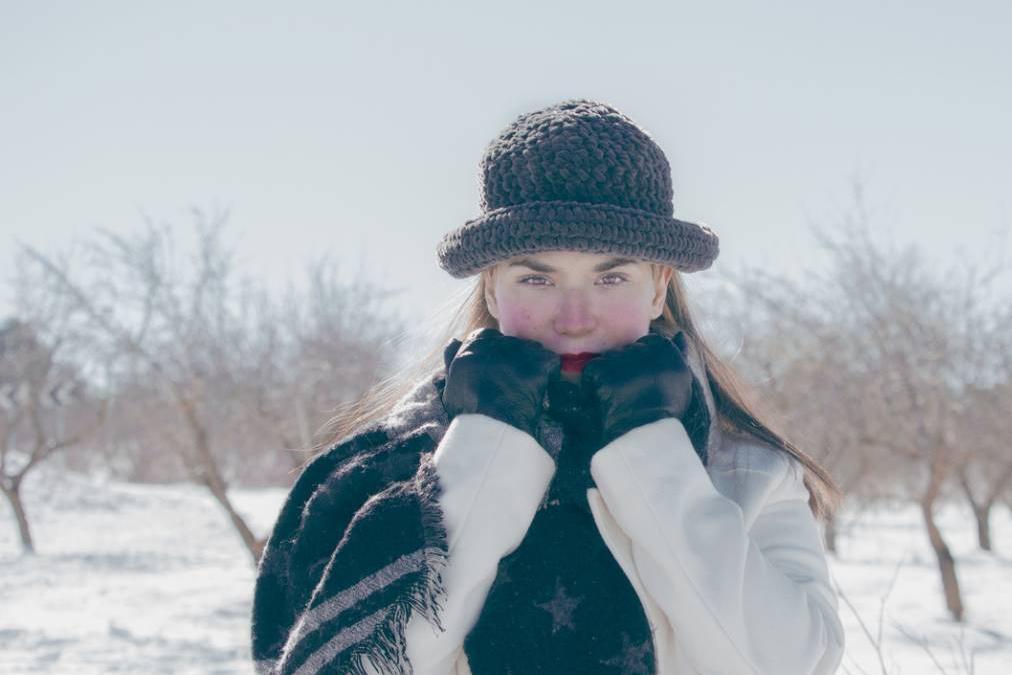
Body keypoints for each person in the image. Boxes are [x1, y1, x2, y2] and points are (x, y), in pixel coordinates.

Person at [251, 99, 845, 674]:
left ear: (659, 287)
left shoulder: (748, 472)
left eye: (611, 276)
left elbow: (789, 664)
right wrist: (487, 448)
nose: (575, 317)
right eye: (537, 278)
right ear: (491, 288)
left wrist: (653, 456)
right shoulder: (382, 475)